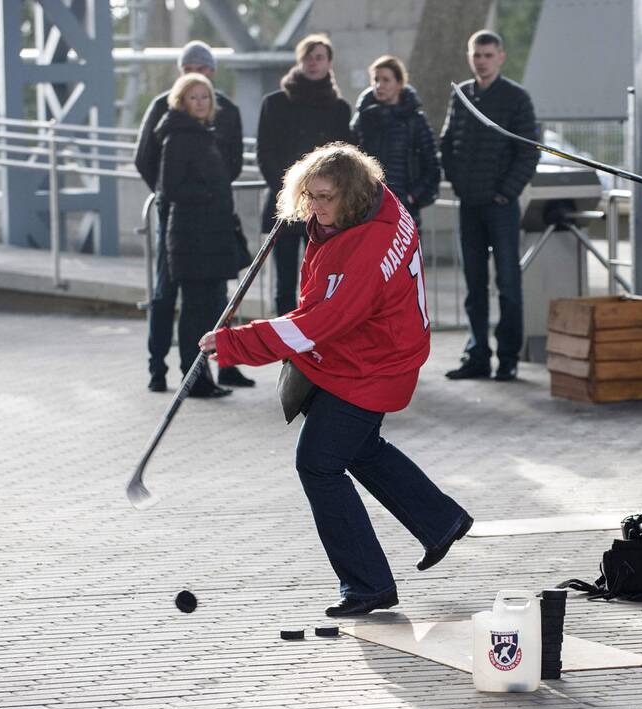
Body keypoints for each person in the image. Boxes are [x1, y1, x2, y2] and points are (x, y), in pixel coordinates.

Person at [199, 143, 473, 616]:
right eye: (309, 196)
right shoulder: (375, 202)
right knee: (360, 448)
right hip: (373, 352)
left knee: (318, 463)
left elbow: (314, 324)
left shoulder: (364, 250)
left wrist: (232, 343)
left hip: (372, 365)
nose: (315, 208)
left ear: (350, 194)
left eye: (325, 198)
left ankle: (368, 584)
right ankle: (440, 519)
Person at [134, 40, 254, 393]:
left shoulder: (226, 110)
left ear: (213, 73)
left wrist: (212, 186)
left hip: (213, 217)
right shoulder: (164, 110)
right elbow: (146, 160)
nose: (195, 80)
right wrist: (186, 191)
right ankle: (159, 368)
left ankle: (220, 367)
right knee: (167, 293)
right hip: (178, 217)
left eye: (202, 72)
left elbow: (231, 159)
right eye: (188, 72)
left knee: (215, 296)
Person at [440, 30, 539, 382]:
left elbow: (529, 151)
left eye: (487, 54)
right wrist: (458, 182)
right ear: (470, 57)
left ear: (500, 57)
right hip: (470, 205)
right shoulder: (461, 96)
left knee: (509, 284)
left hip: (501, 207)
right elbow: (448, 142)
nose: (481, 60)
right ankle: (477, 355)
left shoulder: (516, 98)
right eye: (476, 54)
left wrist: (505, 192)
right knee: (474, 285)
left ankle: (508, 358)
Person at [154, 73, 243, 398]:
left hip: (211, 233)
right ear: (181, 101)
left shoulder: (205, 134)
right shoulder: (178, 137)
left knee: (209, 308)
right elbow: (170, 187)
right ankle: (193, 377)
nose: (201, 103)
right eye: (193, 97)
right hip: (192, 236)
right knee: (195, 309)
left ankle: (203, 375)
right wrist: (209, 195)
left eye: (205, 97)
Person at [257, 33, 353, 315]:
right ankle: (287, 350)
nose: (313, 63)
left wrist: (324, 197)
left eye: (319, 57)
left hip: (326, 208)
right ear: (299, 62)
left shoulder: (339, 109)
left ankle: (317, 346)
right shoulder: (274, 104)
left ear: (329, 63)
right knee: (285, 285)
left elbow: (344, 159)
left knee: (322, 282)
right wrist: (293, 192)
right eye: (307, 58)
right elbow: (266, 154)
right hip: (287, 205)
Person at [350, 55, 441, 230]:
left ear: (399, 83)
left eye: (386, 80)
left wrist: (413, 197)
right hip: (367, 209)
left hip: (404, 208)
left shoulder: (415, 120)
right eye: (376, 79)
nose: (379, 85)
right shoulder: (362, 119)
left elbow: (432, 166)